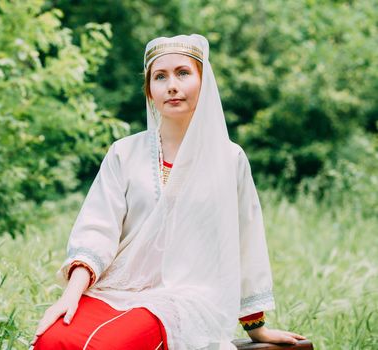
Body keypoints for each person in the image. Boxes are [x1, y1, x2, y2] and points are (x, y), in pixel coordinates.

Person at [31, 34, 306, 350]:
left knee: (105, 345)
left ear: (204, 82)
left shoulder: (229, 159)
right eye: (160, 77)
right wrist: (70, 297)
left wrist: (256, 327)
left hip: (189, 299)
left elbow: (246, 242)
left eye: (183, 73)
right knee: (52, 340)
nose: (172, 85)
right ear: (149, 91)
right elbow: (97, 230)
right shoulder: (124, 153)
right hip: (119, 289)